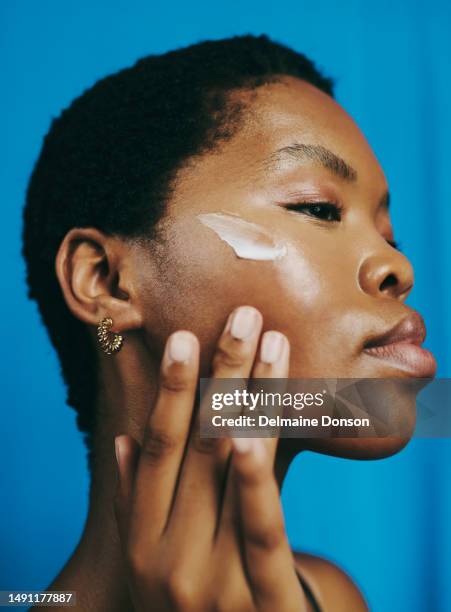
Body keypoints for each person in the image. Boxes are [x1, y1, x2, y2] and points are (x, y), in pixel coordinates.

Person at [23, 34, 436, 611]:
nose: (398, 266)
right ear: (106, 282)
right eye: (318, 209)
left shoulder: (331, 597)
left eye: (389, 235)